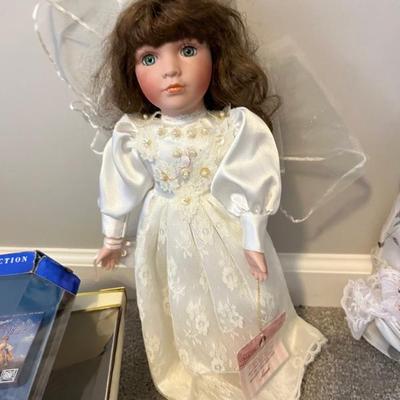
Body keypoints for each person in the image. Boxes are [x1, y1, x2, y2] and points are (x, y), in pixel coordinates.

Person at [94, 0, 327, 398]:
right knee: (180, 296)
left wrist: (252, 236)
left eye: (187, 50)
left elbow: (251, 180)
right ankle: (195, 356)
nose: (170, 70)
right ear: (131, 72)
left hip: (222, 224)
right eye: (149, 58)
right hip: (164, 232)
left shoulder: (233, 125)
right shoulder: (135, 133)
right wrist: (112, 236)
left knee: (238, 293)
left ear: (216, 55)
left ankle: (244, 351)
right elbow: (120, 182)